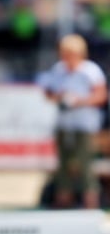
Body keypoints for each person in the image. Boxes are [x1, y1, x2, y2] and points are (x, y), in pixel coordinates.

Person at [38, 34, 108, 208]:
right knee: (63, 165)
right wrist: (59, 98)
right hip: (64, 123)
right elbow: (48, 92)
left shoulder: (90, 70)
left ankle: (90, 204)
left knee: (85, 165)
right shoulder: (58, 69)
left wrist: (79, 101)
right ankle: (63, 202)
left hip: (85, 125)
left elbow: (101, 96)